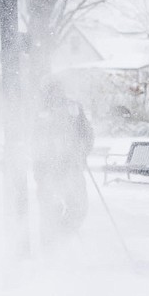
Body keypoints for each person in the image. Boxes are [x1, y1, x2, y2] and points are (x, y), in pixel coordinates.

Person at [32, 79, 95, 247]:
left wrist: (82, 150)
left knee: (79, 207)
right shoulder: (36, 111)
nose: (55, 95)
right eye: (51, 92)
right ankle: (50, 251)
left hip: (71, 167)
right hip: (47, 169)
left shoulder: (73, 108)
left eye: (58, 91)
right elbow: (30, 138)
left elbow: (87, 133)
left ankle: (60, 236)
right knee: (49, 209)